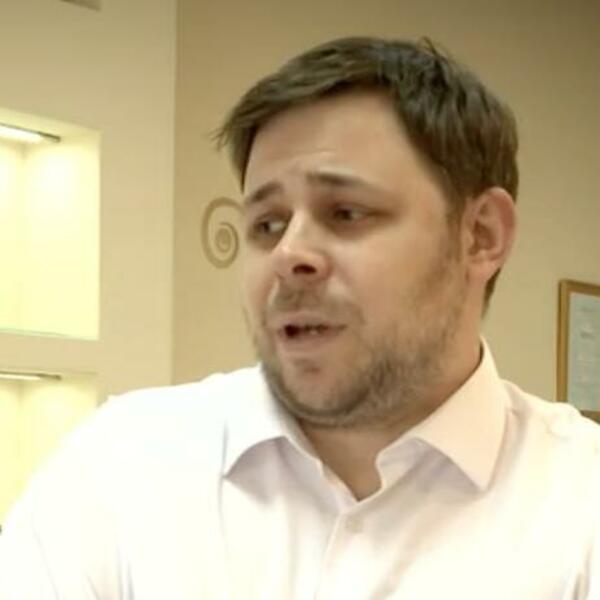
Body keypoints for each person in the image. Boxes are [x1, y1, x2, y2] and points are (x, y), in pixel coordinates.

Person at [1, 36, 599, 600]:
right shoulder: (119, 465)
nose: (289, 254)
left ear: (480, 236)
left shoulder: (581, 504)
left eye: (346, 212)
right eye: (267, 224)